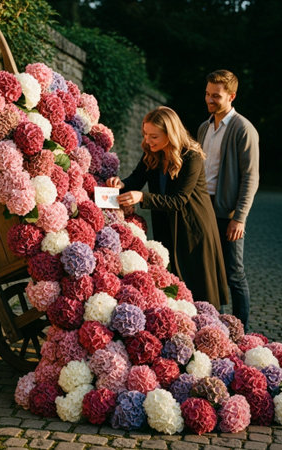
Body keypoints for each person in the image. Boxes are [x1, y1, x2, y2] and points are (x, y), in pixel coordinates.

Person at [107, 106, 229, 310]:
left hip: (194, 230)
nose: (147, 140)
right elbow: (136, 178)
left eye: (154, 136)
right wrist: (121, 184)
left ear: (170, 133)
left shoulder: (191, 156)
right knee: (175, 288)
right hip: (167, 226)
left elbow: (178, 200)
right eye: (145, 134)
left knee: (200, 292)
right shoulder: (152, 152)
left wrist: (142, 198)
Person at [197, 69, 259, 331]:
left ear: (232, 96)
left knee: (234, 273)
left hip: (228, 213)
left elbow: (251, 177)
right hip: (203, 208)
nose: (210, 100)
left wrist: (239, 217)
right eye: (208, 94)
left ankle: (241, 330)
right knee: (208, 271)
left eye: (217, 96)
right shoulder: (204, 127)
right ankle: (214, 327)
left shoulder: (243, 129)